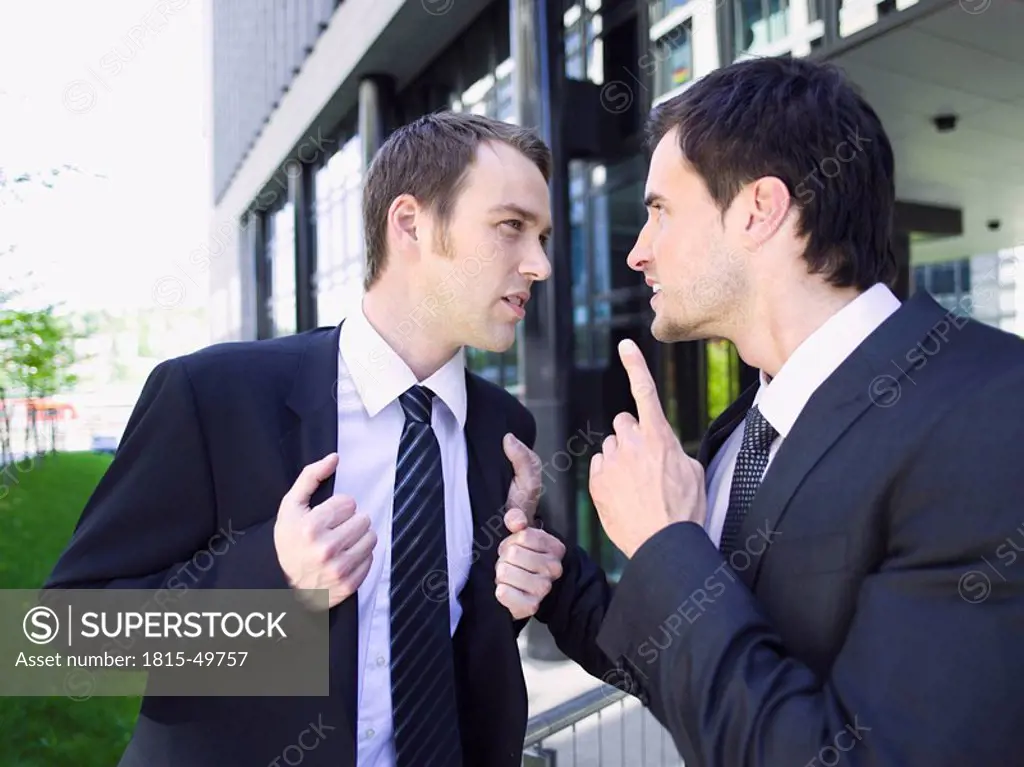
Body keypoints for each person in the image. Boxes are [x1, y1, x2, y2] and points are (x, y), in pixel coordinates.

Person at [497, 55, 1024, 766]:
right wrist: (556, 579)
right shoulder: (744, 430)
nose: (637, 253)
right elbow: (700, 672)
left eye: (658, 212)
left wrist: (663, 541)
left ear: (758, 209)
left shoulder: (989, 410)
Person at [45, 110, 556, 767]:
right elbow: (66, 641)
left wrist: (518, 591)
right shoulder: (213, 396)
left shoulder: (503, 429)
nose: (539, 263)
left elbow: (449, 650)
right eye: (511, 227)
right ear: (411, 225)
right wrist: (273, 580)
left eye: (541, 235)